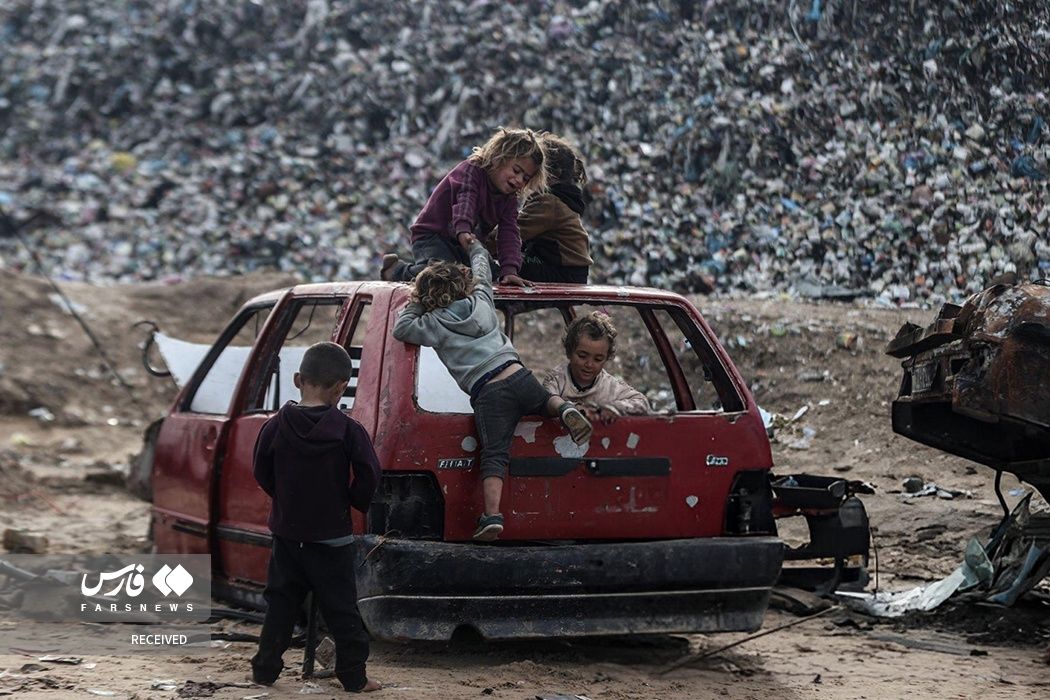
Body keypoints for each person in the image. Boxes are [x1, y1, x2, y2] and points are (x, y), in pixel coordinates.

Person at [392, 237, 592, 541]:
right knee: (545, 400)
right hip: (518, 374)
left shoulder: (433, 322)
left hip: (489, 392)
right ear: (464, 286)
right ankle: (565, 409)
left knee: (495, 455)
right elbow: (483, 272)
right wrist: (475, 249)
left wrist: (417, 299)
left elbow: (401, 328)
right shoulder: (481, 300)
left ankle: (492, 516)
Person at [250, 342, 382, 693]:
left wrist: (285, 498)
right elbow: (369, 472)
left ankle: (264, 671)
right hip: (332, 537)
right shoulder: (349, 431)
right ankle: (355, 678)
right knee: (341, 609)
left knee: (280, 603)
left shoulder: (275, 426)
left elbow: (260, 470)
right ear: (341, 388)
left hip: (288, 535)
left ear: (297, 379)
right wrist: (354, 501)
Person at [381, 127, 547, 287]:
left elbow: (509, 232)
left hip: (466, 243)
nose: (519, 180)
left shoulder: (509, 199)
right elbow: (465, 200)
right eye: (516, 170)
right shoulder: (472, 171)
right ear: (498, 158)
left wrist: (509, 270)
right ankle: (397, 271)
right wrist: (463, 230)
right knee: (445, 275)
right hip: (434, 236)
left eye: (525, 178)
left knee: (489, 275)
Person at [542, 312, 650, 423]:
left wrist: (613, 408)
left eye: (598, 359)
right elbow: (545, 400)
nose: (589, 364)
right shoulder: (556, 379)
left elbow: (642, 403)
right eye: (582, 356)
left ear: (606, 358)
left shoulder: (610, 385)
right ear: (569, 352)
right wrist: (574, 409)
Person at [518, 133, 593, 283]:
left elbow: (516, 233)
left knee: (502, 265)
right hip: (569, 272)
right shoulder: (559, 198)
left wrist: (476, 244)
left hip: (561, 272)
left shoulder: (549, 202)